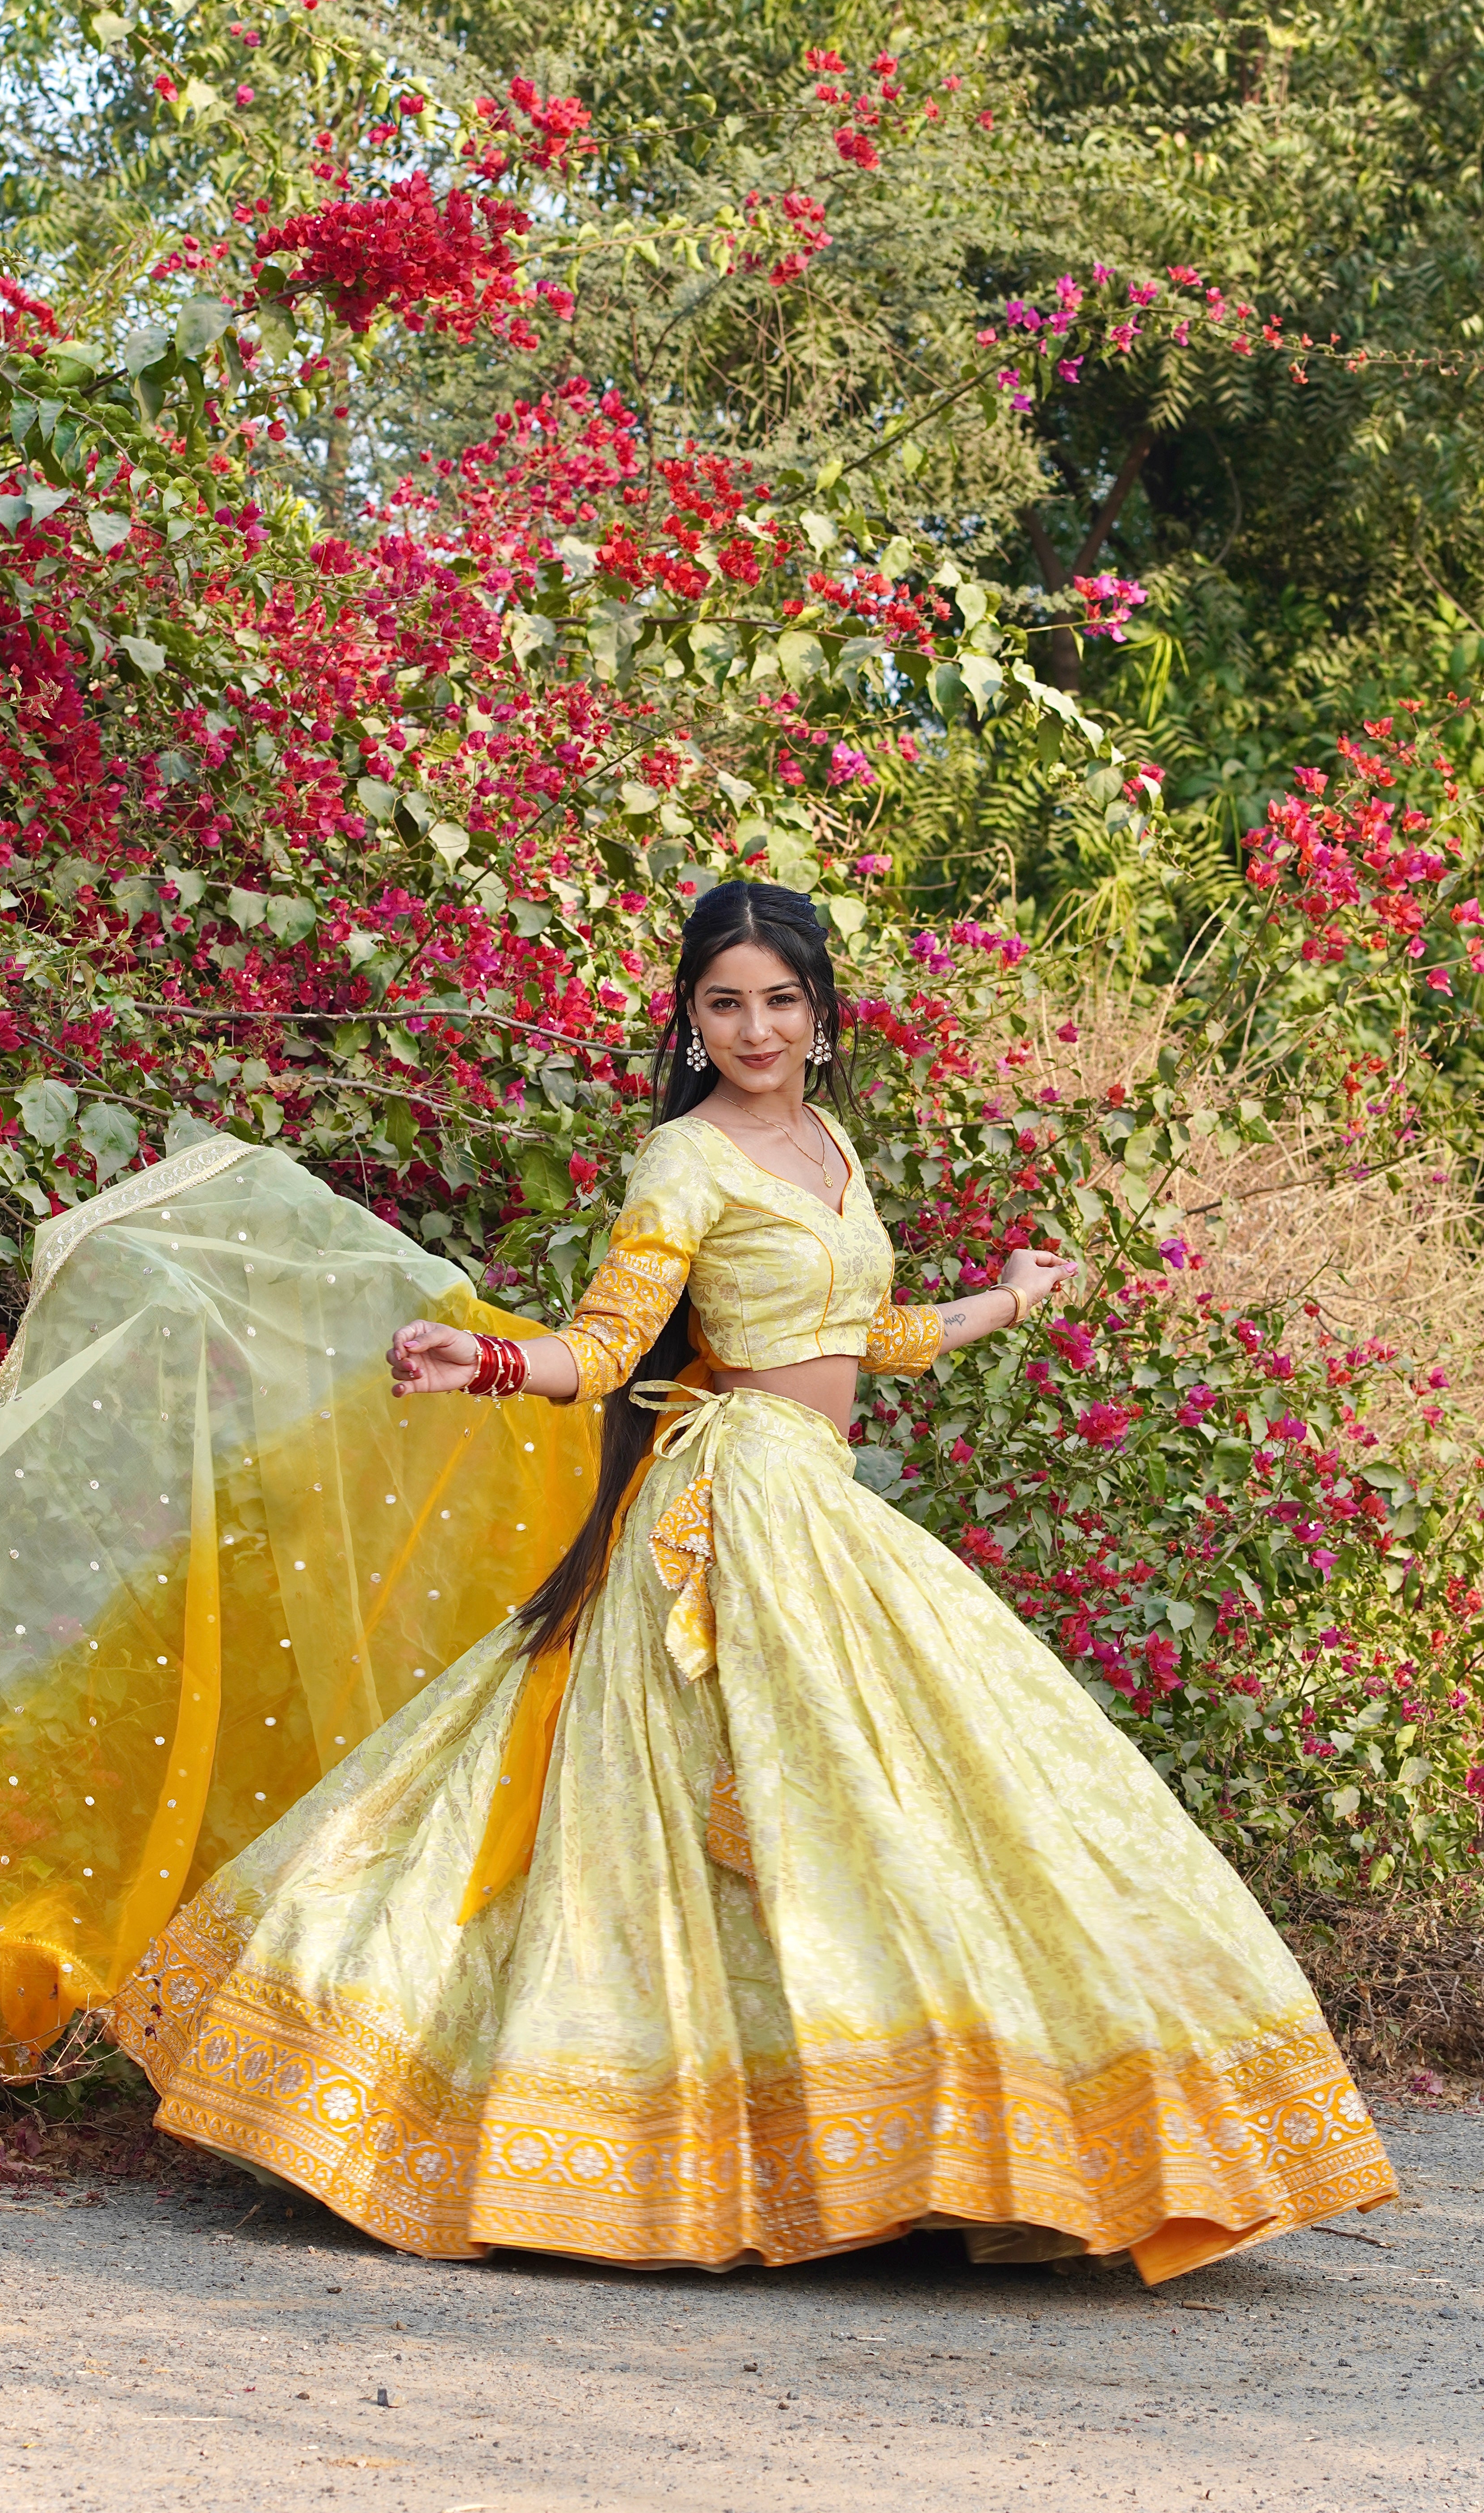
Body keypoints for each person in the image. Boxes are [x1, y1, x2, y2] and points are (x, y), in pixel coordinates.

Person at [92, 882, 1388, 2270]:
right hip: (730, 1516)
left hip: (820, 1506)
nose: (754, 1027)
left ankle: (924, 2146)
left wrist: (1013, 1295)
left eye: (779, 1000)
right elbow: (604, 1346)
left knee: (908, 1810)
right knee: (722, 1820)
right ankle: (687, 2158)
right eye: (725, 1003)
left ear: (822, 1017)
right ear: (693, 1021)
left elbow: (868, 1329)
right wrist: (492, 1361)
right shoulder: (686, 1163)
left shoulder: (830, 1144)